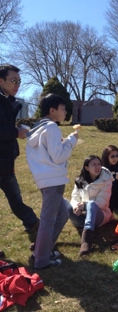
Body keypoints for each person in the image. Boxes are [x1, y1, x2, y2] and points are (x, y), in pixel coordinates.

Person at [26, 93, 78, 269]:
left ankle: (43, 249)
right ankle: (41, 260)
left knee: (63, 214)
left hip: (44, 178)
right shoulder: (52, 128)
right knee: (48, 221)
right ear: (52, 110)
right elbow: (58, 157)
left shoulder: (38, 128)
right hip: (53, 180)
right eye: (63, 109)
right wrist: (71, 141)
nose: (65, 112)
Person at [0, 64, 39, 238]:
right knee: (14, 196)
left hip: (5, 160)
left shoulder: (7, 101)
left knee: (15, 196)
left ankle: (32, 223)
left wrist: (16, 129)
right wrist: (16, 132)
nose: (17, 85)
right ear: (1, 80)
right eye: (13, 81)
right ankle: (32, 222)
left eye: (19, 81)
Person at [67, 155, 113, 256]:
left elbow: (102, 202)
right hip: (81, 217)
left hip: (99, 217)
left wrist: (84, 206)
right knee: (63, 203)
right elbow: (74, 197)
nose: (97, 167)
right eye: (94, 165)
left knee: (91, 204)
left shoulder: (106, 180)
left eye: (99, 164)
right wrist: (75, 207)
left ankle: (86, 241)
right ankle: (46, 238)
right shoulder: (80, 180)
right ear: (86, 167)